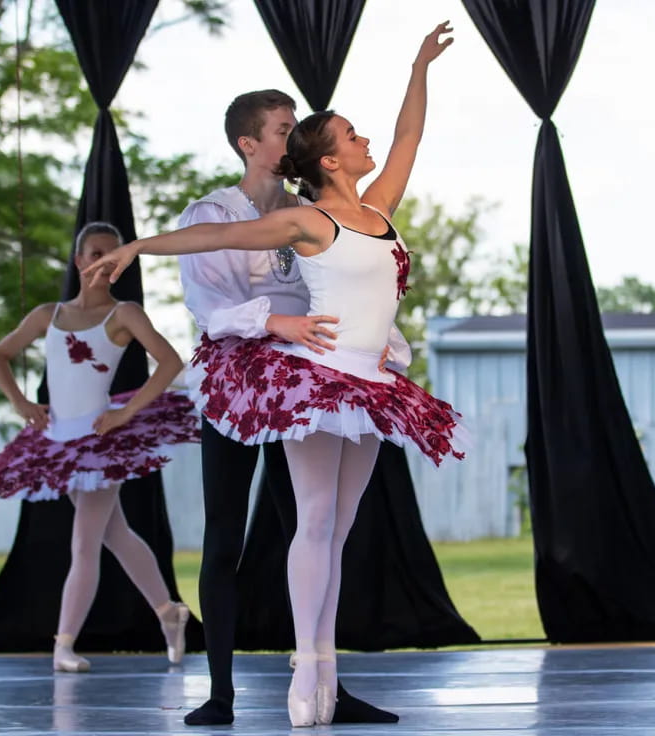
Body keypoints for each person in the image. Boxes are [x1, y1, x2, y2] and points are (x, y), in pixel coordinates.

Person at [86, 22, 460, 726]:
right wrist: (136, 244)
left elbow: (410, 139)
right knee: (305, 522)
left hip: (370, 382)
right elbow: (216, 238)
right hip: (296, 377)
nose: (361, 138)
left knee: (335, 529)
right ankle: (287, 682)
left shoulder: (370, 208)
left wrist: (419, 67)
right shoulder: (305, 221)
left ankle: (324, 675)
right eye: (343, 132)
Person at [175, 89, 404, 726]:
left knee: (314, 526)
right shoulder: (214, 212)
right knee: (225, 534)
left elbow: (349, 287)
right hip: (241, 379)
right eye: (280, 130)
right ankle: (220, 690)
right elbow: (208, 304)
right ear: (250, 144)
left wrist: (377, 342)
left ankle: (322, 675)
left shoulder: (315, 213)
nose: (289, 139)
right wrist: (275, 321)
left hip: (308, 380)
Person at [0, 221, 200, 673]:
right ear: (79, 260)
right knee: (114, 534)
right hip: (59, 441)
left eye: (111, 255)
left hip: (100, 443)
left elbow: (170, 361)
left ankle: (63, 644)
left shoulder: (124, 314)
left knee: (85, 541)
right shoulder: (49, 314)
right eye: (94, 253)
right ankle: (168, 612)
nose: (102, 262)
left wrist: (127, 413)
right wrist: (21, 401)